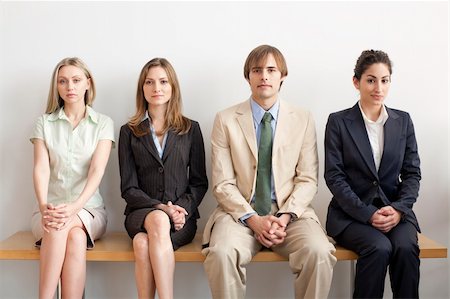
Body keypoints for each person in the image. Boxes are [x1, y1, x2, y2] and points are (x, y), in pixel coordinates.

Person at [202, 45, 336, 299]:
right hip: (240, 213)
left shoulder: (303, 118)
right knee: (221, 254)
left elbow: (307, 179)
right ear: (248, 77)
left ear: (282, 76)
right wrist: (254, 220)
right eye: (257, 70)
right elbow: (222, 184)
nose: (264, 75)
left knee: (319, 252)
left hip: (291, 213)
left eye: (271, 70)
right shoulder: (225, 119)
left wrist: (283, 217)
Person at [324, 50, 421, 298]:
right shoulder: (338, 122)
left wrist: (399, 209)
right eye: (371, 80)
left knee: (406, 247)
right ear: (356, 82)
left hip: (395, 210)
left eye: (385, 80)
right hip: (351, 215)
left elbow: (412, 174)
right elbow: (334, 177)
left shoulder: (403, 121)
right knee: (378, 248)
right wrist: (368, 214)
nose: (378, 87)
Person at [118, 58, 208, 299]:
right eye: (149, 82)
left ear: (173, 87)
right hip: (140, 214)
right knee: (157, 219)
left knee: (141, 244)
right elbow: (128, 188)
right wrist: (160, 208)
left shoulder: (191, 129)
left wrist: (180, 209)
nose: (156, 88)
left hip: (181, 218)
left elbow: (199, 182)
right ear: (142, 89)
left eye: (163, 81)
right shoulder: (129, 131)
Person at [30, 57, 115, 299]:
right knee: (74, 236)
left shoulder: (103, 124)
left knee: (65, 224)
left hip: (89, 211)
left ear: (88, 84)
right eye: (63, 81)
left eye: (76, 80)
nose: (70, 87)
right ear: (56, 87)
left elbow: (97, 171)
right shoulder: (44, 123)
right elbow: (41, 169)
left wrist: (74, 208)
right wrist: (44, 206)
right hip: (47, 211)